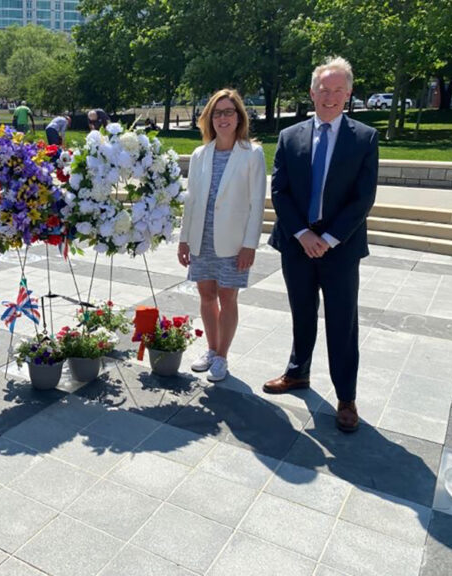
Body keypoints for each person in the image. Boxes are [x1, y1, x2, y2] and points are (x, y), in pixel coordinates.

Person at [264, 56, 378, 433]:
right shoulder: (289, 136)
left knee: (342, 322)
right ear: (312, 93)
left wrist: (327, 239)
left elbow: (363, 198)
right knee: (301, 312)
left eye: (338, 90)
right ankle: (298, 372)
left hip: (340, 249)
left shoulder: (364, 137)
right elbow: (279, 190)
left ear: (349, 93)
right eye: (323, 90)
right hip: (296, 244)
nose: (329, 97)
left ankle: (346, 397)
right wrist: (303, 234)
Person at [177, 88, 266, 382]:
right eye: (217, 112)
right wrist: (183, 239)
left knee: (228, 297)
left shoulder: (252, 154)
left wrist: (250, 245)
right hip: (202, 237)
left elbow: (257, 203)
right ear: (209, 118)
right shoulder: (201, 154)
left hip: (233, 240)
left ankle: (223, 357)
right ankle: (211, 349)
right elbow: (190, 200)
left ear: (239, 117)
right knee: (206, 295)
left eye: (229, 112)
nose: (222, 118)